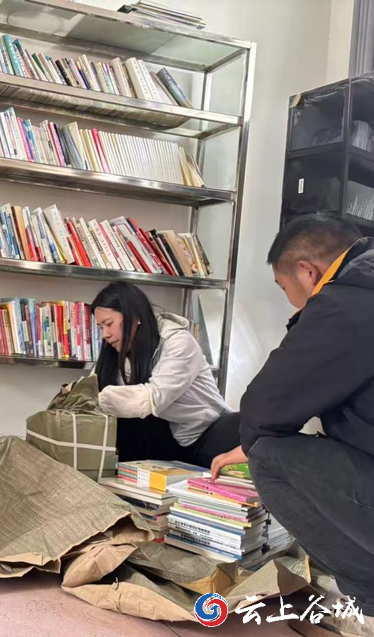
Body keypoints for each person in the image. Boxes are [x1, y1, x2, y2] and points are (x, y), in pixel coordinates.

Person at [210, 216, 374, 615]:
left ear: (307, 271)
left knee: (267, 453)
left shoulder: (347, 300)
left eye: (283, 287)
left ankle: (368, 600)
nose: (290, 300)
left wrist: (248, 445)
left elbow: (267, 405)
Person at [91, 281, 239, 467]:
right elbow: (89, 387)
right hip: (169, 439)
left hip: (207, 432)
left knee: (244, 424)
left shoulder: (178, 342)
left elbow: (154, 398)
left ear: (135, 316)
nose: (105, 334)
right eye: (100, 327)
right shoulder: (113, 356)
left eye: (109, 324)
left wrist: (94, 399)